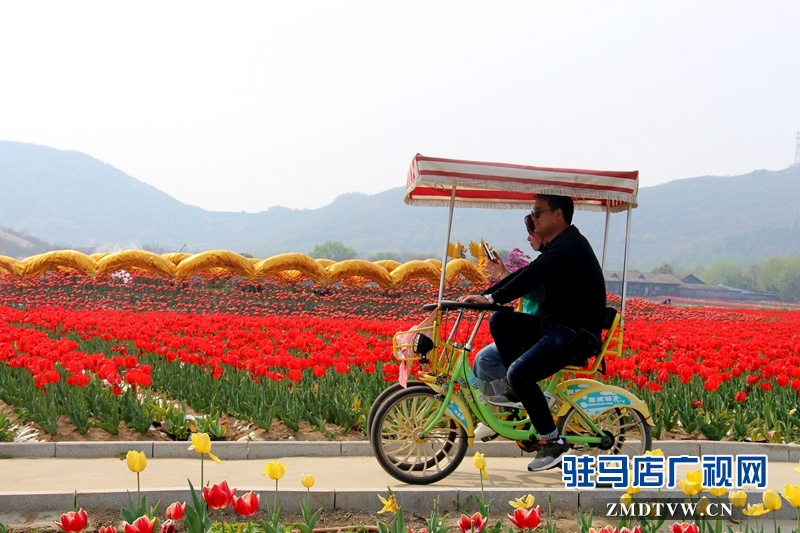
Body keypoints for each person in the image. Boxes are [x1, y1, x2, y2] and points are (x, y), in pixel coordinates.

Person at [461, 194, 606, 471]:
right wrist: (486, 296)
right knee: (501, 321)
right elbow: (526, 273)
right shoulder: (556, 246)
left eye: (538, 212)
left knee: (519, 372)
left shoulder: (570, 245)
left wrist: (492, 299)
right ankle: (517, 390)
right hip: (556, 326)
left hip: (576, 333)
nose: (534, 217)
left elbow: (531, 277)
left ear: (558, 214)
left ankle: (553, 442)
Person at [472, 216, 544, 441]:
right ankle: (504, 414)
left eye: (532, 232)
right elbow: (522, 285)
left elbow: (531, 290)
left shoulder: (551, 261)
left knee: (485, 360)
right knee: (482, 359)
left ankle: (514, 404)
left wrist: (501, 278)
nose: (528, 237)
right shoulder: (542, 260)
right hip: (528, 331)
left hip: (540, 335)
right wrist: (501, 277)